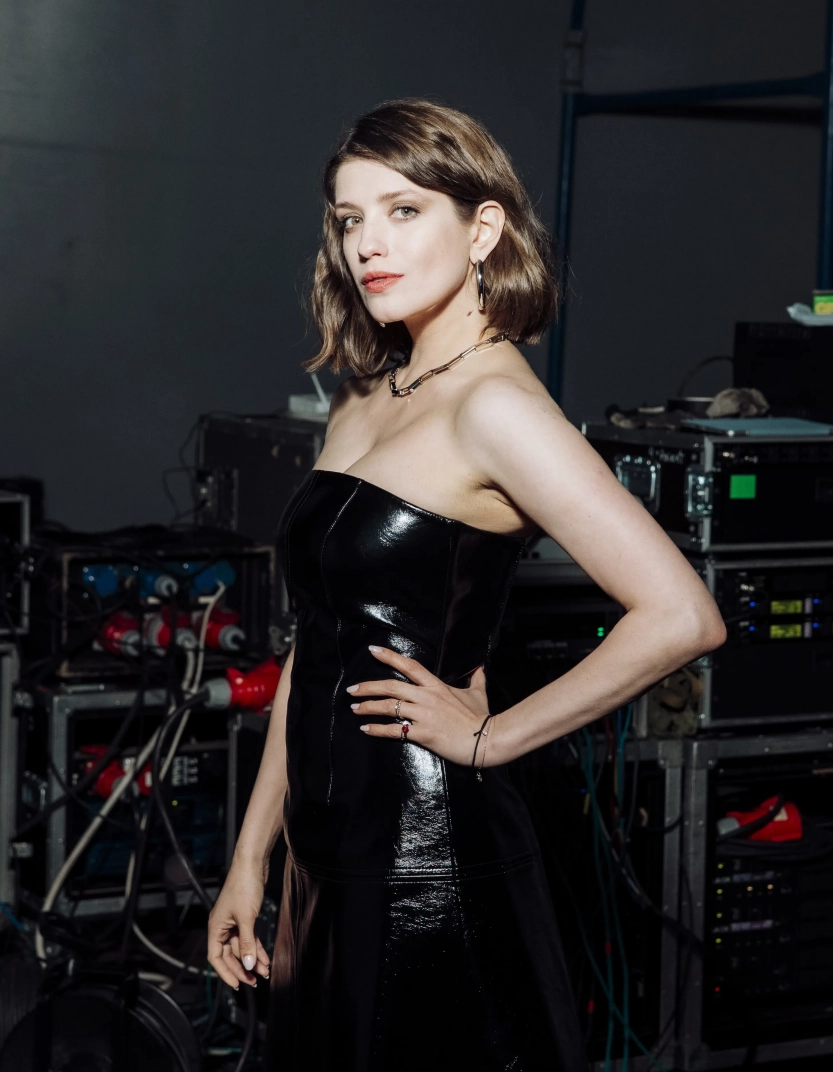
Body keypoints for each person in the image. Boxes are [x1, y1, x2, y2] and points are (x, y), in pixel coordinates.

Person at [207, 98, 727, 1070]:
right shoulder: (366, 394)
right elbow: (317, 644)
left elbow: (682, 614)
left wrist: (493, 737)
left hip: (428, 864)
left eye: (403, 211)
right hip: (323, 861)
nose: (368, 243)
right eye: (350, 219)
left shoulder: (497, 406)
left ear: (482, 228)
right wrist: (252, 859)